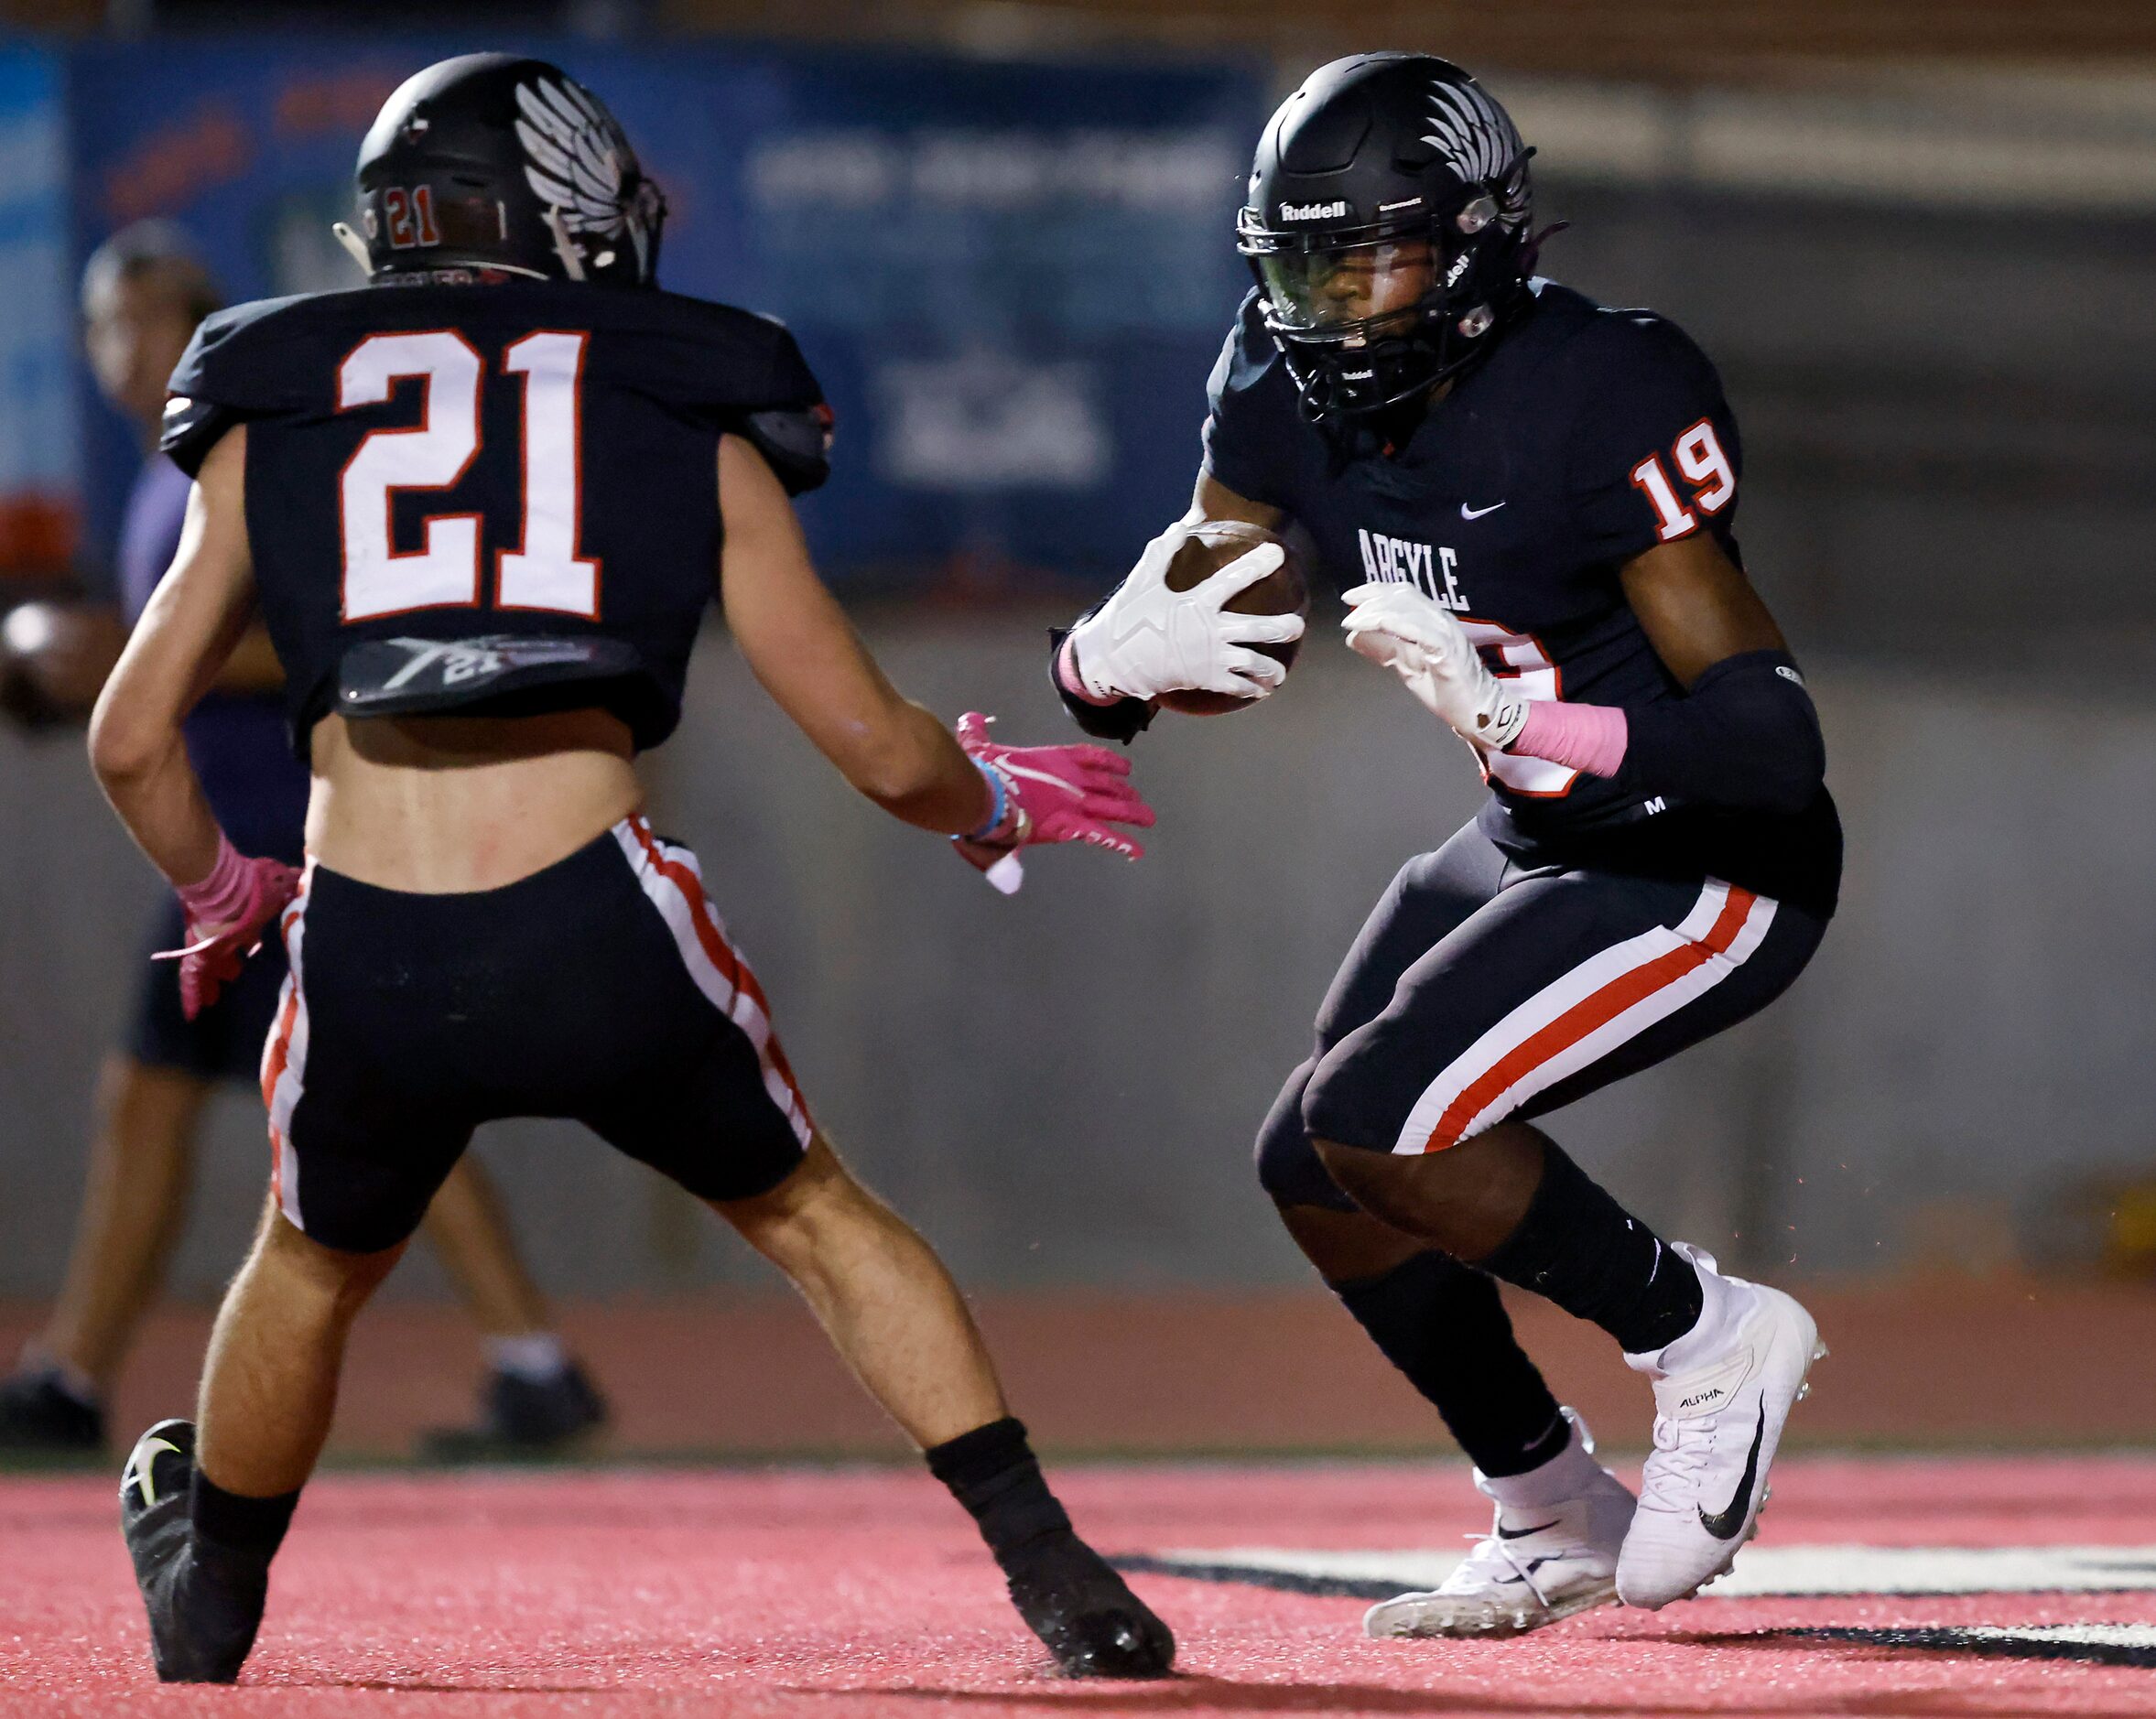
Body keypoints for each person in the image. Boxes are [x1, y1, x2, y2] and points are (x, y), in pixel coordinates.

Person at [101, 55, 1169, 1684]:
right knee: (816, 1213)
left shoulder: (273, 404)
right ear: (560, 210)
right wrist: (989, 804)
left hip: (369, 938)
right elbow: (879, 744)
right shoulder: (682, 395)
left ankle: (211, 1603)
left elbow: (128, 737)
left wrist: (226, 895)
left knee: (307, 1268)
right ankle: (1059, 1575)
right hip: (596, 910)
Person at [1047, 53, 1838, 1635]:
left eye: (1364, 258)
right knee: (1319, 1163)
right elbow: (1219, 636)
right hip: (1537, 826)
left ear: (1477, 244)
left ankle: (1706, 1331)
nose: (1326, 306)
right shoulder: (1277, 386)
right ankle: (1551, 1505)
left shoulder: (1603, 387)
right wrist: (1099, 671)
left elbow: (1771, 739)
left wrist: (1532, 723)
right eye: (1295, 263)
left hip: (1710, 854)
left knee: (1379, 1112)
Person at [0, 222, 606, 1461]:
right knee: (164, 1099)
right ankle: (71, 1373)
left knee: (357, 1105)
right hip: (219, 845)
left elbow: (318, 641)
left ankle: (530, 1358)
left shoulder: (245, 460)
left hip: (274, 844)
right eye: (106, 321)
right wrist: (83, 667)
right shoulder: (170, 474)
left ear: (201, 321)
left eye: (148, 314)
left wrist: (121, 665)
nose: (123, 343)